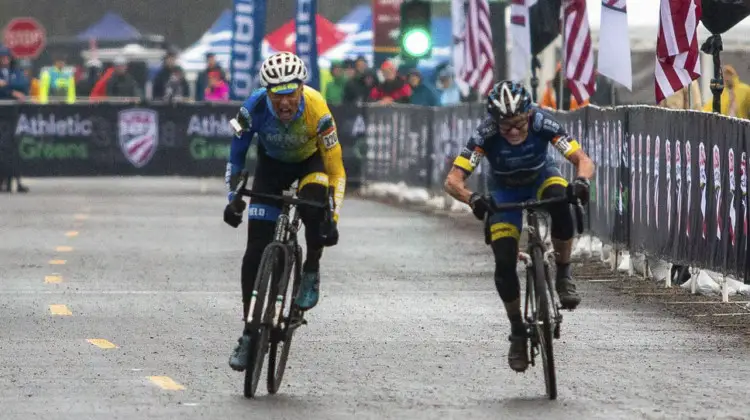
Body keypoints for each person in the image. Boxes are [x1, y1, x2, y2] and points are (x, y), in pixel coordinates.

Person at [443, 80, 594, 373]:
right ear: (493, 122)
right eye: (505, 126)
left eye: (518, 124)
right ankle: (517, 331)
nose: (512, 132)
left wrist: (581, 181)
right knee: (503, 260)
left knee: (561, 201)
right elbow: (452, 180)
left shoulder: (542, 123)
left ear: (528, 115)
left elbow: (582, 159)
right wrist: (472, 198)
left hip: (541, 178)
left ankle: (563, 273)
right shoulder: (484, 135)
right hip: (504, 191)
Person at [223, 51, 346, 372]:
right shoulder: (252, 108)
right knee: (253, 252)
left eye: (291, 94)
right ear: (267, 93)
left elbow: (337, 171)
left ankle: (310, 270)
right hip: (272, 168)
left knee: (313, 208)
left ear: (301, 89)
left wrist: (332, 217)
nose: (285, 103)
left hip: (311, 164)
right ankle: (249, 332)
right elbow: (235, 159)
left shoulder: (318, 110)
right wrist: (232, 198)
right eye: (277, 96)